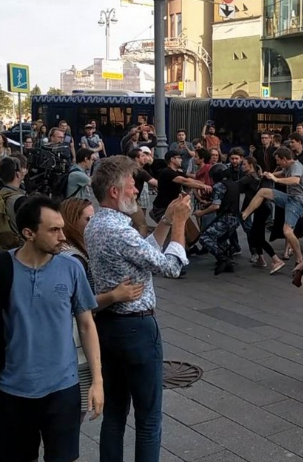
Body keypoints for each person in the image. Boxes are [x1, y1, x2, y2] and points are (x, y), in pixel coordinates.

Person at [0, 195, 104, 462]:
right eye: (54, 230)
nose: (63, 236)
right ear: (29, 233)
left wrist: (98, 380)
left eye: (62, 228)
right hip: (11, 391)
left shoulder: (71, 268)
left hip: (63, 389)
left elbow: (87, 325)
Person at [85, 156, 193, 462]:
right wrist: (181, 224)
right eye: (133, 185)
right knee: (148, 418)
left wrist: (167, 220)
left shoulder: (98, 224)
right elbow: (170, 267)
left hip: (109, 327)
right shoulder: (120, 230)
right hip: (137, 329)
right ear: (115, 191)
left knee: (115, 413)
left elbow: (144, 253)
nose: (137, 191)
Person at [58, 198, 144, 422]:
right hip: (76, 347)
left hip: (71, 346)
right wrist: (114, 295)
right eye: (87, 219)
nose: (92, 222)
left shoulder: (74, 249)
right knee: (73, 411)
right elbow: (80, 304)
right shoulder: (74, 256)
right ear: (71, 221)